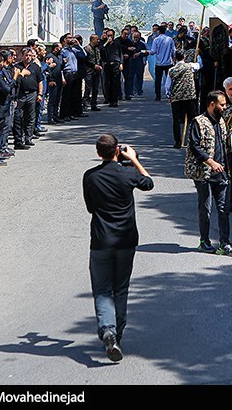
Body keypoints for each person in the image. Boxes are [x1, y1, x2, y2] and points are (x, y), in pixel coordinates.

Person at [83, 133, 153, 361]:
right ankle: (117, 335)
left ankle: (108, 330)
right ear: (117, 152)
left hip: (101, 240)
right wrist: (134, 159)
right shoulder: (129, 174)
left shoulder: (90, 177)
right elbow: (148, 183)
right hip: (126, 240)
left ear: (97, 153)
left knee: (102, 289)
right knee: (120, 289)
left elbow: (91, 208)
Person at [185, 90, 232, 257]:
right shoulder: (198, 122)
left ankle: (224, 243)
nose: (224, 107)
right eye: (222, 104)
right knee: (205, 208)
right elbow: (195, 146)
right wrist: (211, 162)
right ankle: (204, 241)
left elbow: (224, 144)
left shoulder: (222, 122)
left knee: (224, 209)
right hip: (204, 173)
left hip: (222, 173)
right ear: (212, 105)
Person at [167, 50, 201, 149]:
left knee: (176, 120)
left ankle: (178, 141)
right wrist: (197, 55)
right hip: (190, 97)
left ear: (174, 59)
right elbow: (200, 65)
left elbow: (167, 86)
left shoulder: (171, 70)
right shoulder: (190, 66)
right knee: (194, 119)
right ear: (184, 58)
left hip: (176, 98)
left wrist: (169, 96)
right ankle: (196, 139)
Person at [150, 26, 176, 101]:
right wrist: (174, 58)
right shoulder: (170, 39)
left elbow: (153, 51)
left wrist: (147, 52)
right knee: (170, 79)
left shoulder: (156, 40)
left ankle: (158, 96)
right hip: (168, 62)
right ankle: (170, 94)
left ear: (158, 31)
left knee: (158, 80)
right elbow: (174, 50)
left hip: (159, 63)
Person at [83, 34, 103, 112]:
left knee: (95, 89)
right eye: (97, 39)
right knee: (88, 88)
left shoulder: (97, 49)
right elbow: (86, 61)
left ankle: (93, 104)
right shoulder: (87, 49)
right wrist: (94, 66)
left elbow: (99, 59)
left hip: (96, 72)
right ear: (92, 40)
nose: (98, 41)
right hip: (89, 71)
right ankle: (85, 104)